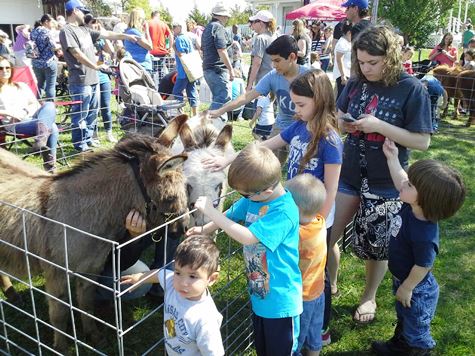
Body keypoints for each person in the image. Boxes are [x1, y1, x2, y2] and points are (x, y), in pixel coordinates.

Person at [328, 26, 432, 324]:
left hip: (387, 180)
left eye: (373, 62)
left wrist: (379, 126)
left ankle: (369, 295)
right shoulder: (356, 83)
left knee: (376, 245)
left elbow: (422, 141)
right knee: (326, 232)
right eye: (361, 62)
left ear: (392, 57)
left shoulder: (411, 88)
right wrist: (342, 123)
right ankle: (329, 283)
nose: (366, 68)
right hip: (348, 172)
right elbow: (336, 114)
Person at [188, 143, 302, 356]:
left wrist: (211, 212)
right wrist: (204, 228)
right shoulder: (254, 199)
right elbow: (231, 214)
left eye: (245, 195)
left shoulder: (283, 211)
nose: (243, 198)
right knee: (264, 349)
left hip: (281, 303)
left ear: (266, 191)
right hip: (261, 295)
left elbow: (248, 237)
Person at [372, 141, 466, 356]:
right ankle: (400, 344)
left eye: (411, 185)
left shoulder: (425, 234)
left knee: (417, 328)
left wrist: (407, 287)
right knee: (405, 318)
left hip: (417, 289)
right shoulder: (411, 205)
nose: (404, 183)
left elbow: (424, 265)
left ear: (426, 199)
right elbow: (401, 180)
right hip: (403, 281)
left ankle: (418, 350)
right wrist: (392, 157)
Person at [209, 35, 309, 163]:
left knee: (302, 168)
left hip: (304, 128)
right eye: (272, 61)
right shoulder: (273, 76)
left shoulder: (309, 76)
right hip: (280, 128)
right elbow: (247, 96)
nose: (273, 65)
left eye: (277, 61)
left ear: (292, 57)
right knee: (267, 165)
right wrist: (220, 111)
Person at [121, 235, 224, 356]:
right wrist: (140, 278)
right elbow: (160, 273)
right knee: (171, 326)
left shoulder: (205, 319)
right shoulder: (172, 284)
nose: (182, 282)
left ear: (211, 279)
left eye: (192, 276)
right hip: (173, 344)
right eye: (178, 272)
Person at [59, 0, 139, 152]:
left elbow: (106, 34)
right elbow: (76, 53)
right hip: (80, 80)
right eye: (83, 11)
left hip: (93, 78)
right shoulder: (67, 31)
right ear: (75, 11)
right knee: (81, 114)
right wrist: (95, 66)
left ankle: (88, 140)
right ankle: (80, 145)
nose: (85, 14)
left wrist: (126, 37)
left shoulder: (84, 30)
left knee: (92, 113)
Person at [285, 174, 327, 356]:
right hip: (318, 291)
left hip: (302, 297)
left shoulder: (298, 235)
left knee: (296, 340)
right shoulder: (319, 221)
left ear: (296, 208)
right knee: (314, 333)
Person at [0, 56, 59, 171]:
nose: (5, 70)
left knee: (49, 105)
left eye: (8, 67)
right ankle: (50, 166)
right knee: (52, 127)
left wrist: (26, 111)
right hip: (15, 123)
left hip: (32, 117)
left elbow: (35, 104)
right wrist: (9, 112)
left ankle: (41, 140)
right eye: (0, 68)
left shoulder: (21, 86)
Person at [84, 15, 117, 143]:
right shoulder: (84, 38)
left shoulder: (99, 39)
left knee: (106, 106)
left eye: (96, 23)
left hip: (103, 75)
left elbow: (112, 51)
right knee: (93, 108)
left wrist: (102, 33)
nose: (94, 25)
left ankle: (109, 132)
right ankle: (93, 134)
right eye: (92, 23)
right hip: (91, 75)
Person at [201, 3, 234, 122]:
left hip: (208, 68)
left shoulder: (208, 27)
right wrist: (231, 69)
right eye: (226, 17)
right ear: (222, 16)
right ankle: (203, 123)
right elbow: (222, 51)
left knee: (218, 98)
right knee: (223, 98)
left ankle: (216, 127)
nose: (227, 19)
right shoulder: (218, 27)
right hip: (217, 69)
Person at [172, 21, 198, 116]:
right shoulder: (188, 38)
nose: (173, 29)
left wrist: (174, 48)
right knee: (192, 92)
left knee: (177, 92)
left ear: (179, 27)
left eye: (174, 27)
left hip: (183, 72)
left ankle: (181, 114)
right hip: (191, 71)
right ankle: (195, 114)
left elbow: (182, 54)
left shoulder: (179, 39)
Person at [246, 10, 276, 91]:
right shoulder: (274, 36)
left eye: (254, 22)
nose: (253, 25)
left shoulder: (260, 38)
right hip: (274, 78)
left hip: (263, 81)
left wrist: (250, 84)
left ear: (261, 23)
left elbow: (257, 63)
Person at [31, 14, 59, 101]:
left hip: (36, 63)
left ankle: (37, 104)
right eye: (51, 22)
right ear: (46, 22)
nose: (52, 25)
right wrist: (61, 46)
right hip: (48, 62)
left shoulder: (33, 31)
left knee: (40, 84)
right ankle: (49, 106)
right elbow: (54, 46)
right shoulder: (47, 32)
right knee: (50, 85)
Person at [124, 8, 153, 73]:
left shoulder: (129, 31)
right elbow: (150, 47)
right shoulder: (134, 32)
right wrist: (147, 31)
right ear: (139, 19)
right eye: (143, 19)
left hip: (136, 66)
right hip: (140, 66)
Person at [148, 10, 173, 78]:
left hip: (150, 51)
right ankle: (160, 86)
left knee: (151, 71)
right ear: (158, 16)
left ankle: (152, 85)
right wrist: (170, 48)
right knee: (160, 71)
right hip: (161, 51)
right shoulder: (163, 24)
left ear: (152, 16)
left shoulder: (148, 23)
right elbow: (170, 35)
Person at [333, 21, 352, 99]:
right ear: (349, 33)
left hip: (347, 73)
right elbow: (339, 59)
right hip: (343, 74)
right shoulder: (342, 43)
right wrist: (343, 75)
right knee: (341, 97)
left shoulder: (347, 42)